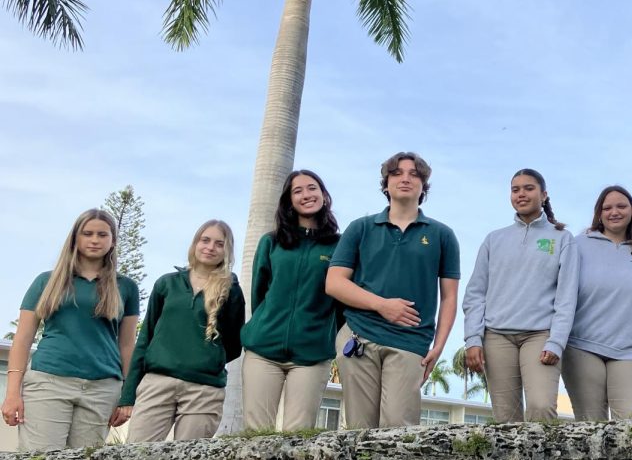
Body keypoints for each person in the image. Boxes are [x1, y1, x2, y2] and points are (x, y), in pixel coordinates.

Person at [326, 152, 460, 429]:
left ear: (424, 186)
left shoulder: (441, 235)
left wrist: (439, 346)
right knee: (359, 431)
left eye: (414, 174)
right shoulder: (360, 228)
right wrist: (382, 305)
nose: (406, 178)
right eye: (397, 173)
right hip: (359, 335)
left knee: (398, 429)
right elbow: (335, 283)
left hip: (411, 341)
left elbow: (449, 297)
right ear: (386, 184)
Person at [3, 210, 139, 450]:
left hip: (102, 389)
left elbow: (127, 345)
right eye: (87, 234)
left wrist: (128, 396)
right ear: (75, 238)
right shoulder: (46, 281)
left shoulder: (126, 287)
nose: (95, 240)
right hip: (49, 382)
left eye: (102, 234)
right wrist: (12, 393)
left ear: (112, 241)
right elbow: (23, 340)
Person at [462, 168, 579, 422]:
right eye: (515, 190)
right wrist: (473, 338)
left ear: (544, 194)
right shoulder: (494, 239)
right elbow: (475, 293)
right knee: (505, 418)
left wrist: (556, 341)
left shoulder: (562, 239)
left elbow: (567, 296)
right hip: (496, 336)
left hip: (540, 335)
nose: (521, 194)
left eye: (529, 188)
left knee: (540, 407)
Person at [119, 220, 245, 441]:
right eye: (205, 240)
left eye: (219, 243)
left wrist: (209, 359)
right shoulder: (166, 284)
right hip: (157, 383)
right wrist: (128, 395)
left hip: (204, 390)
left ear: (226, 250)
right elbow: (145, 338)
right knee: (136, 456)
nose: (210, 247)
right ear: (195, 243)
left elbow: (234, 343)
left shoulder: (232, 290)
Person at [241, 170, 341, 431]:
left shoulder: (339, 246)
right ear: (289, 200)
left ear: (323, 194)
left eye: (312, 188)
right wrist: (267, 323)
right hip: (263, 350)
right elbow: (259, 293)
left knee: (298, 436)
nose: (306, 195)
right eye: (298, 191)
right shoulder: (271, 242)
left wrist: (323, 332)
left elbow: (341, 301)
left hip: (312, 355)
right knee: (256, 434)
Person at [563, 186, 632, 421]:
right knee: (590, 428)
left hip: (630, 351)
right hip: (582, 346)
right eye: (607, 207)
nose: (614, 212)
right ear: (599, 214)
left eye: (621, 206)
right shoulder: (577, 245)